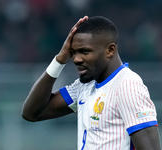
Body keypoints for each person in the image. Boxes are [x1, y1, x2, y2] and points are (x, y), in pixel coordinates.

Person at [22, 16, 161, 150]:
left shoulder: (127, 86)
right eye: (73, 52)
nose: (76, 59)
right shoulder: (84, 85)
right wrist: (59, 61)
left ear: (110, 50)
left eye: (85, 51)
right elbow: (31, 113)